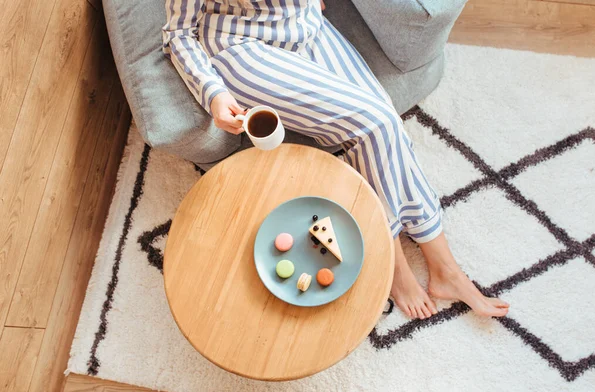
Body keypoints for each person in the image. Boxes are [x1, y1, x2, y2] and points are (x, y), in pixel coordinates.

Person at [162, 0, 509, 319]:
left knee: (382, 117)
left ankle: (441, 268)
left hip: (305, 23)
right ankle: (401, 265)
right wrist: (214, 93)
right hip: (240, 46)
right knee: (376, 122)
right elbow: (178, 32)